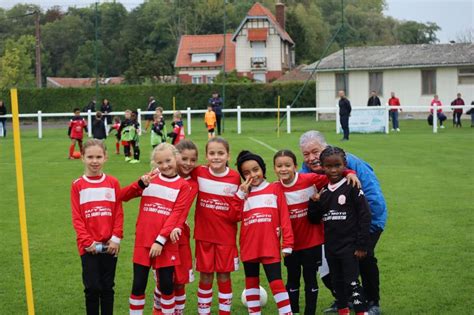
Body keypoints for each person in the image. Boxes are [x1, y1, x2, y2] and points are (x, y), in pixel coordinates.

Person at [299, 130, 387, 315]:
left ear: (325, 147)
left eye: (315, 151)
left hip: (367, 221)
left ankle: (372, 302)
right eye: (306, 154)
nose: (311, 158)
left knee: (364, 258)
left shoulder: (351, 163)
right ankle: (346, 300)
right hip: (334, 229)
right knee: (331, 266)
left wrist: (365, 233)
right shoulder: (306, 171)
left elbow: (372, 197)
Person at [273, 149, 360, 315]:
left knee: (310, 279)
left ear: (296, 166)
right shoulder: (275, 188)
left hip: (312, 241)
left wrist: (350, 172)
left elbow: (333, 175)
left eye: (287, 165)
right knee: (292, 280)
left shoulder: (309, 179)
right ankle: (293, 311)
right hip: (290, 244)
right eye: (279, 166)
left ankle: (310, 312)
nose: (283, 169)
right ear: (274, 169)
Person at [120, 143, 191, 315]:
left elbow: (175, 215)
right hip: (143, 241)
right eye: (160, 163)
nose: (165, 165)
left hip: (165, 244)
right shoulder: (149, 179)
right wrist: (139, 184)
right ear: (155, 164)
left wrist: (160, 240)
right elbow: (123, 196)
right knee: (138, 284)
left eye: (168, 160)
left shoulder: (183, 186)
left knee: (166, 285)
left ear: (176, 158)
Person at [308, 146, 371, 315]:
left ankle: (361, 311)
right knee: (337, 283)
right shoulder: (325, 192)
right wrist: (314, 202)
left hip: (350, 247)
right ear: (322, 166)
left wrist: (361, 245)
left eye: (337, 165)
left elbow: (365, 216)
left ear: (345, 166)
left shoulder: (352, 186)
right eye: (328, 166)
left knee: (352, 282)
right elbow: (314, 219)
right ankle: (343, 311)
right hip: (331, 247)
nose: (333, 170)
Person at [235, 150, 294, 315]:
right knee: (251, 282)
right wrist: (241, 194)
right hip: (249, 245)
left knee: (276, 282)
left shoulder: (275, 188)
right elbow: (234, 216)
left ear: (262, 169)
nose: (253, 175)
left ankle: (286, 312)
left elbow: (284, 218)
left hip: (269, 244)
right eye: (246, 173)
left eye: (255, 170)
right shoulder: (243, 194)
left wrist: (288, 243)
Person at [71, 139, 123, 315]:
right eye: (90, 157)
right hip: (88, 247)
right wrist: (87, 241)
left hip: (110, 246)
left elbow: (118, 213)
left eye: (98, 157)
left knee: (107, 287)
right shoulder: (77, 185)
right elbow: (77, 217)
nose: (94, 161)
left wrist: (116, 239)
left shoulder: (113, 182)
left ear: (105, 158)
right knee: (92, 288)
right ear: (82, 158)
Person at [192, 137, 241, 315]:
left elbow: (238, 207)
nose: (216, 157)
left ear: (228, 155)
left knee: (223, 275)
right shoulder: (199, 172)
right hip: (203, 235)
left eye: (221, 153)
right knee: (205, 275)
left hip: (226, 237)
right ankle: (203, 312)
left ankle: (224, 312)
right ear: (206, 156)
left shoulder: (235, 177)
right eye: (212, 153)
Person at [152, 140, 199, 315]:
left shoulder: (194, 181)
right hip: (161, 233)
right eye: (184, 158)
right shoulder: (159, 176)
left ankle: (177, 312)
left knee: (180, 280)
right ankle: (158, 310)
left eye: (192, 160)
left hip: (181, 235)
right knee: (164, 281)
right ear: (174, 157)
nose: (188, 163)